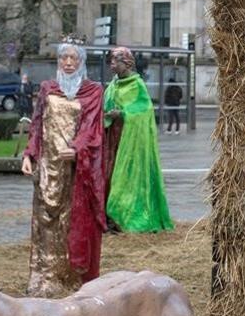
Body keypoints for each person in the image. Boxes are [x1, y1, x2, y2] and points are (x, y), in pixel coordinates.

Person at [22, 37, 108, 298]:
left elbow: (92, 127)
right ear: (58, 61)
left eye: (74, 58)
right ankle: (45, 278)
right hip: (48, 169)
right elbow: (38, 124)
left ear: (82, 61)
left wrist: (78, 149)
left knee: (71, 223)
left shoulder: (93, 91)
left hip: (76, 171)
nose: (68, 63)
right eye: (64, 58)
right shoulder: (48, 89)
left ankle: (72, 278)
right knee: (46, 224)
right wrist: (29, 154)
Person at [103, 47, 173, 233]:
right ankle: (109, 218)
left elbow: (144, 110)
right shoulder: (113, 85)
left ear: (125, 63)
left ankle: (125, 217)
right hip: (112, 140)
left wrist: (124, 113)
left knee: (126, 178)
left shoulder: (136, 85)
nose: (111, 64)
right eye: (110, 61)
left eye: (114, 61)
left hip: (130, 141)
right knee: (109, 175)